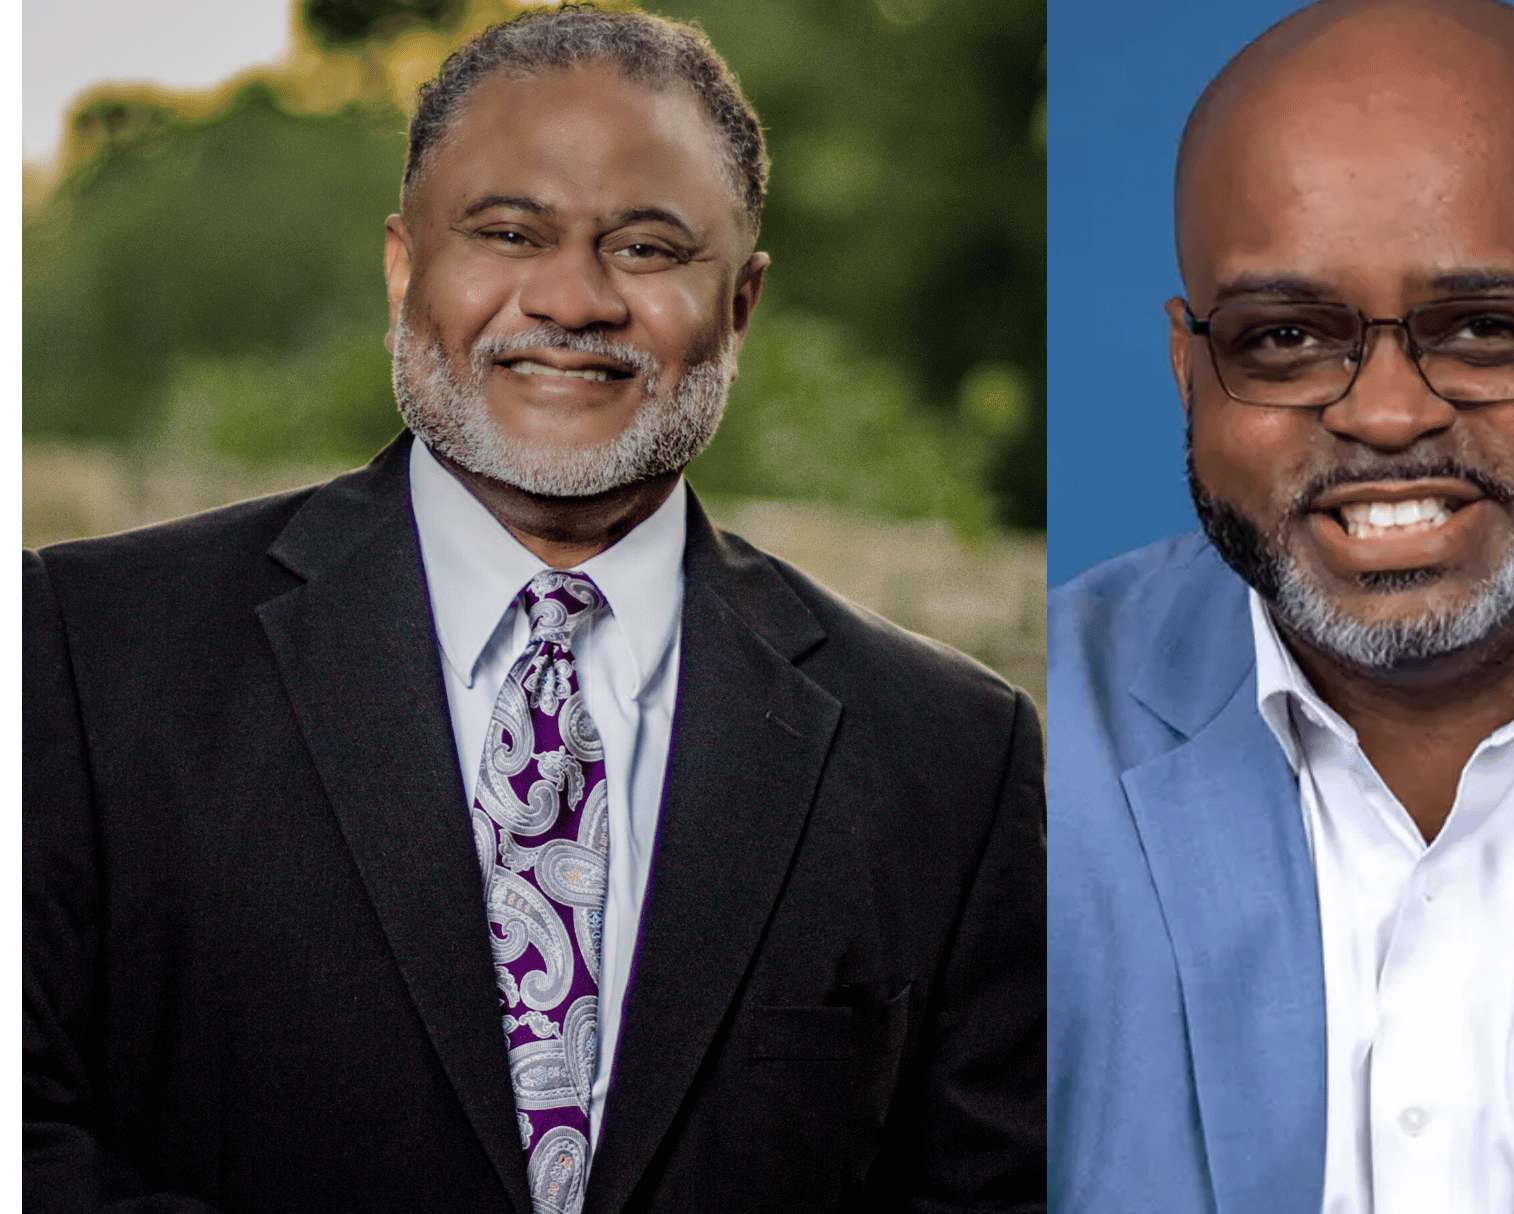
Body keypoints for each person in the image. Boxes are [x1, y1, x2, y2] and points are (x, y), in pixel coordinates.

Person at [23, 10, 1043, 1213]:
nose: (574, 296)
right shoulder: (85, 653)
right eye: (510, 232)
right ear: (405, 266)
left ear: (743, 301)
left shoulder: (947, 756)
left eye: (650, 247)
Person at [1042, 2, 1514, 1212]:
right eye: (1289, 336)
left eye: (1482, 328)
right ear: (1188, 370)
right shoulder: (1025, 743)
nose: (1388, 414)